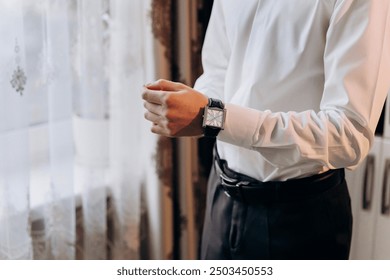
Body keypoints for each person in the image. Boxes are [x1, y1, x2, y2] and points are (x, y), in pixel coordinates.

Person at [142, 0, 390, 260]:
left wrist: (213, 118)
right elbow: (219, 69)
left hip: (299, 218)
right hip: (221, 196)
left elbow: (349, 134)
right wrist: (193, 108)